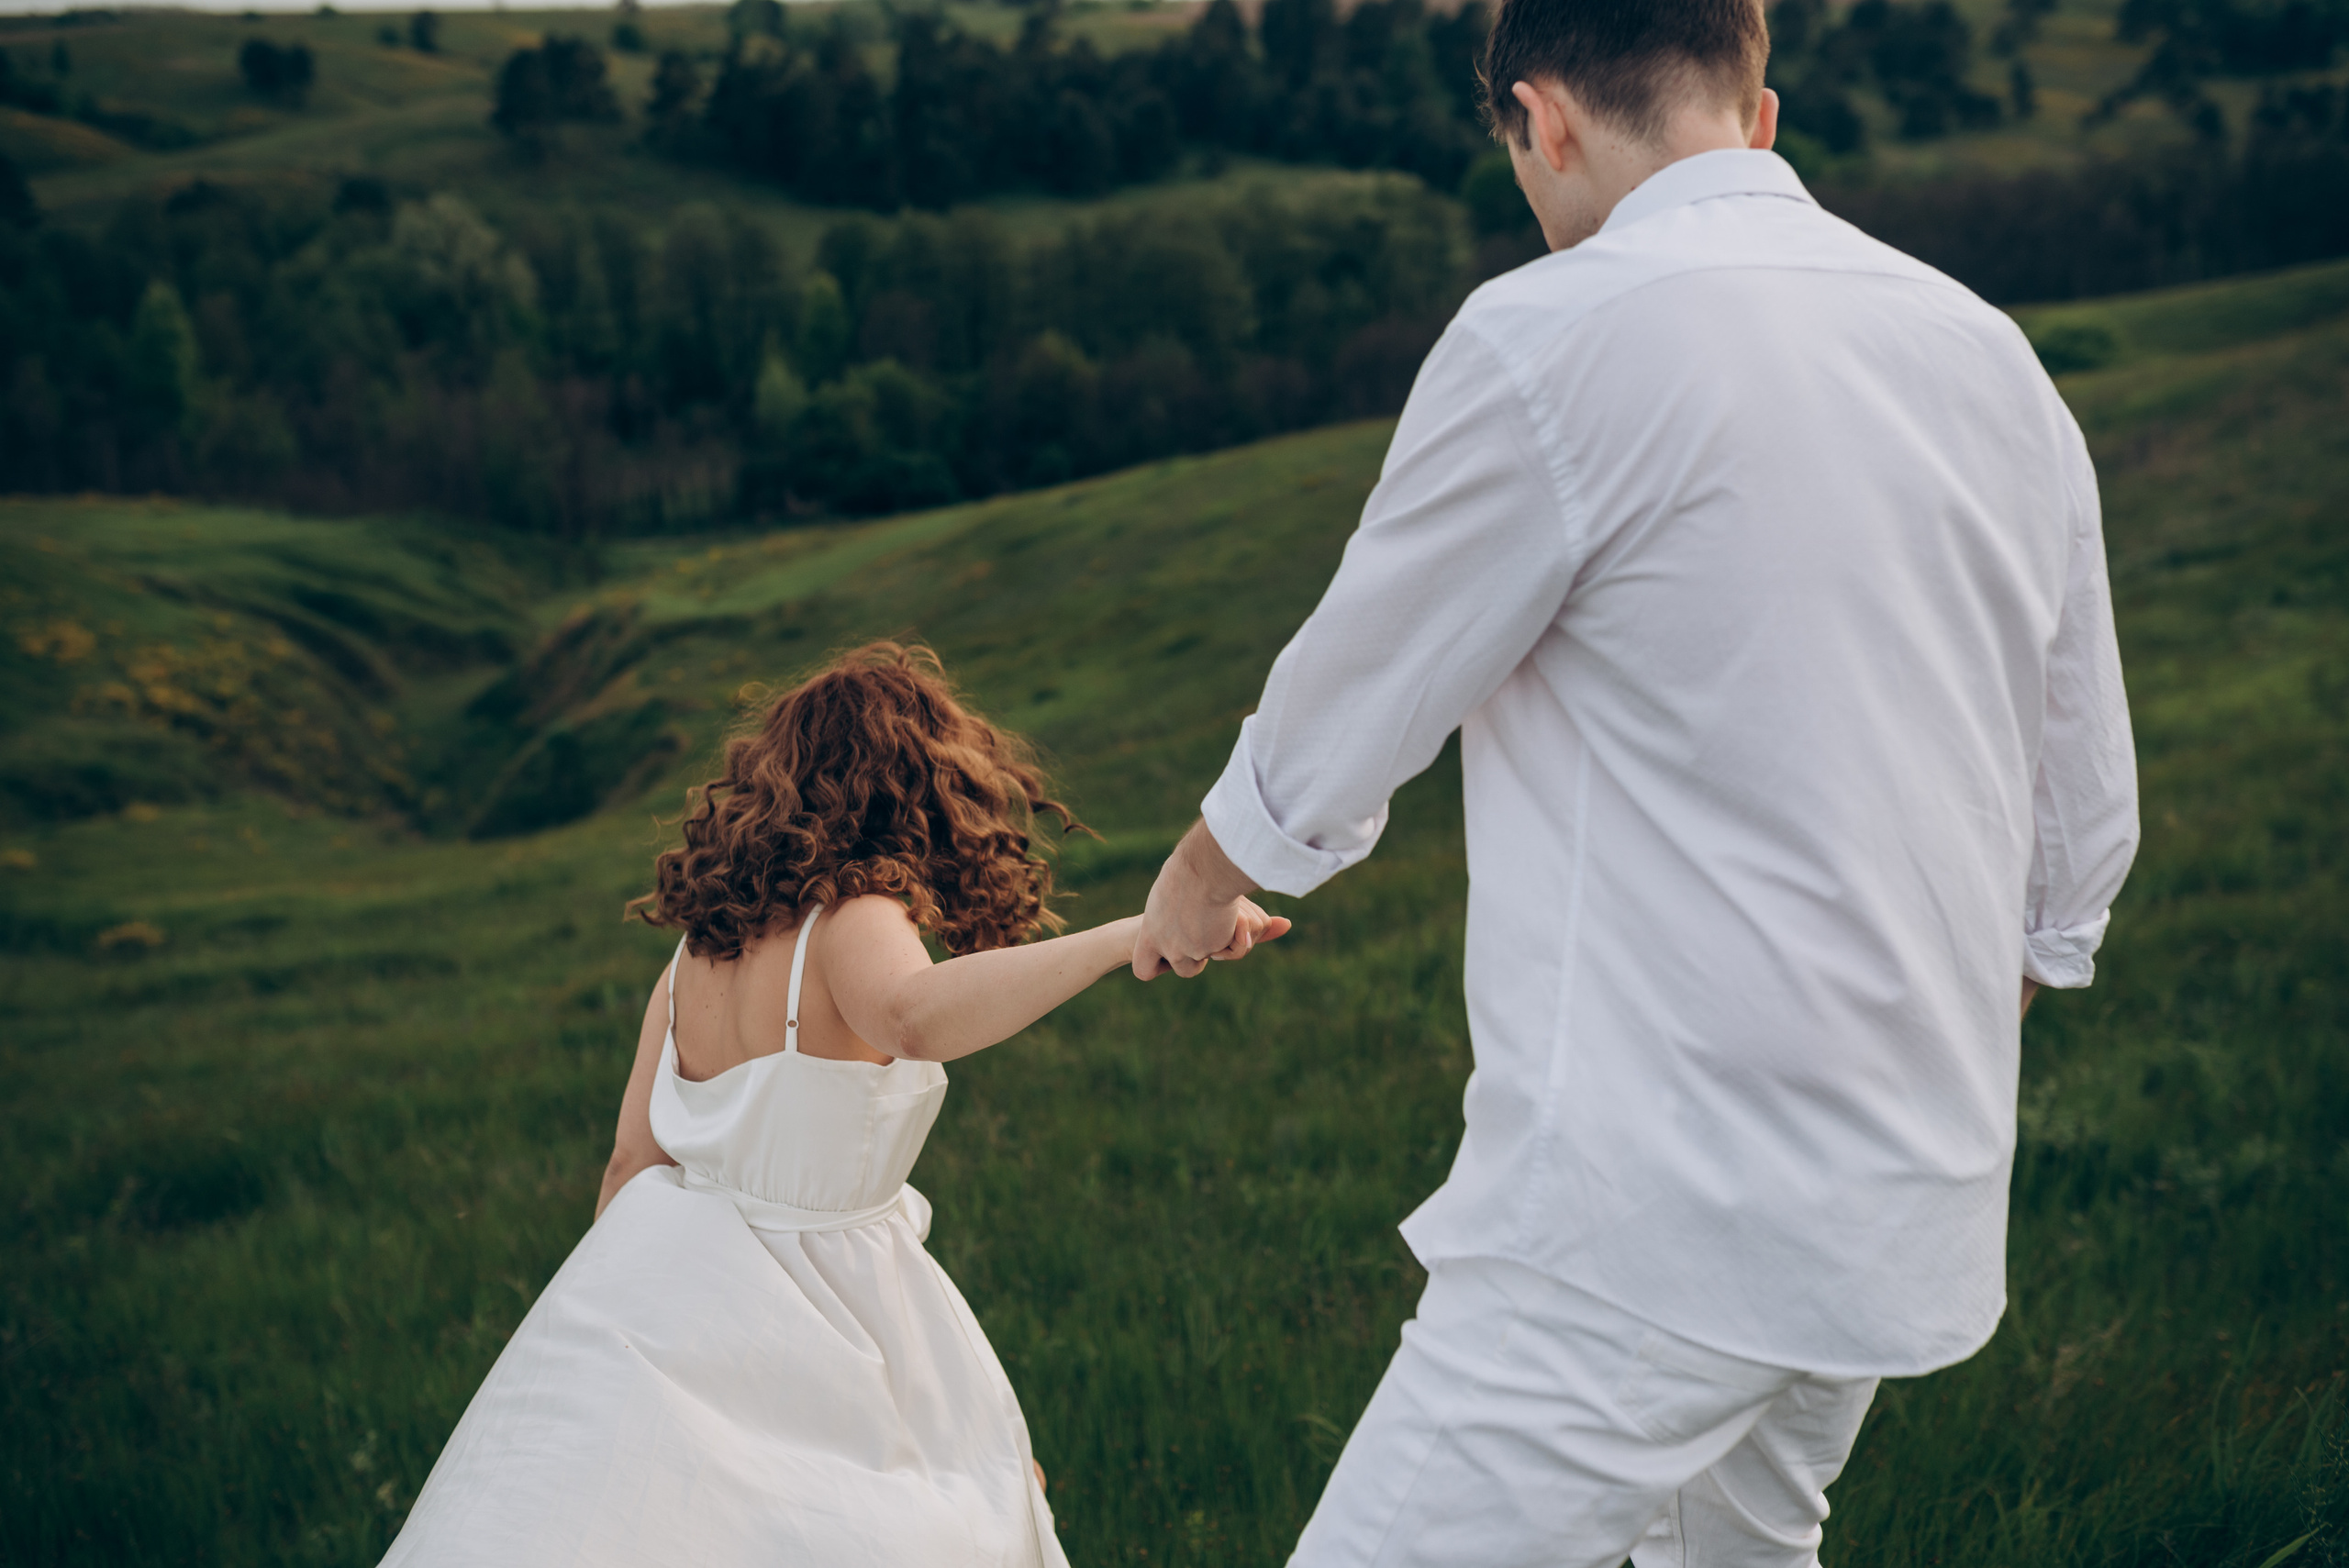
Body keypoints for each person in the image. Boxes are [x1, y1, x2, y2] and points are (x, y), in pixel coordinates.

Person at [1131, 1, 2140, 1563]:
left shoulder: (1552, 333)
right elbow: (2082, 814)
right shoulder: (1986, 352)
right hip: (1903, 1193)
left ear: (1543, 120)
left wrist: (1203, 879)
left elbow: (1357, 690)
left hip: (1641, 1213)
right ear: (1762, 115)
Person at [383, 641, 1286, 1566]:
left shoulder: (700, 947)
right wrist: (1132, 935)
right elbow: (912, 1015)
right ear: (916, 785)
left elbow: (632, 1158)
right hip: (826, 1297)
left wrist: (616, 1312)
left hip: (676, 1267)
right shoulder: (854, 915)